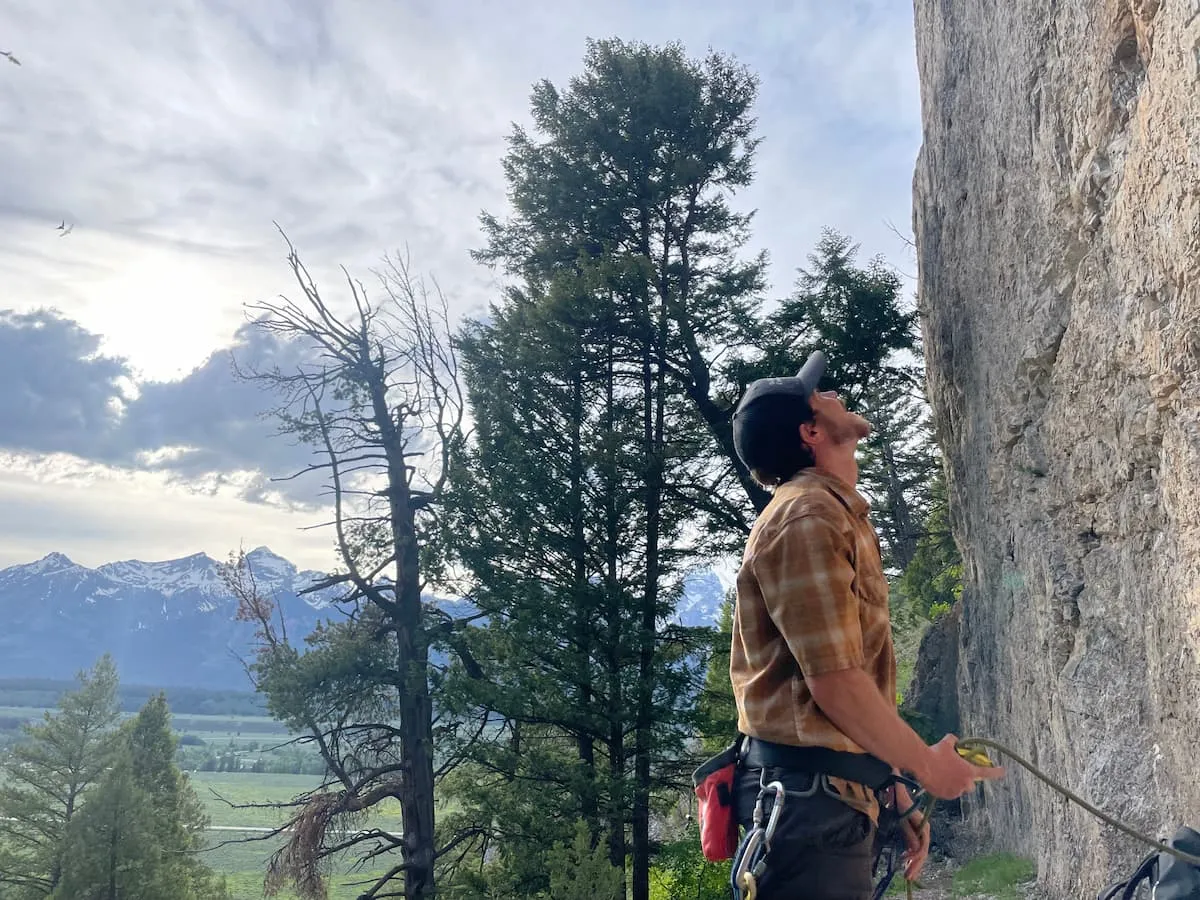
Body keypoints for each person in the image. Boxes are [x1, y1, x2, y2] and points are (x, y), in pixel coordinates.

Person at [728, 351, 1003, 899]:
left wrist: (894, 791)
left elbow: (851, 681)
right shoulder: (807, 518)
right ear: (811, 430)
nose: (831, 394)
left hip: (822, 803)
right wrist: (925, 766)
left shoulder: (829, 513)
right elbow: (833, 683)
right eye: (818, 396)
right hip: (810, 813)